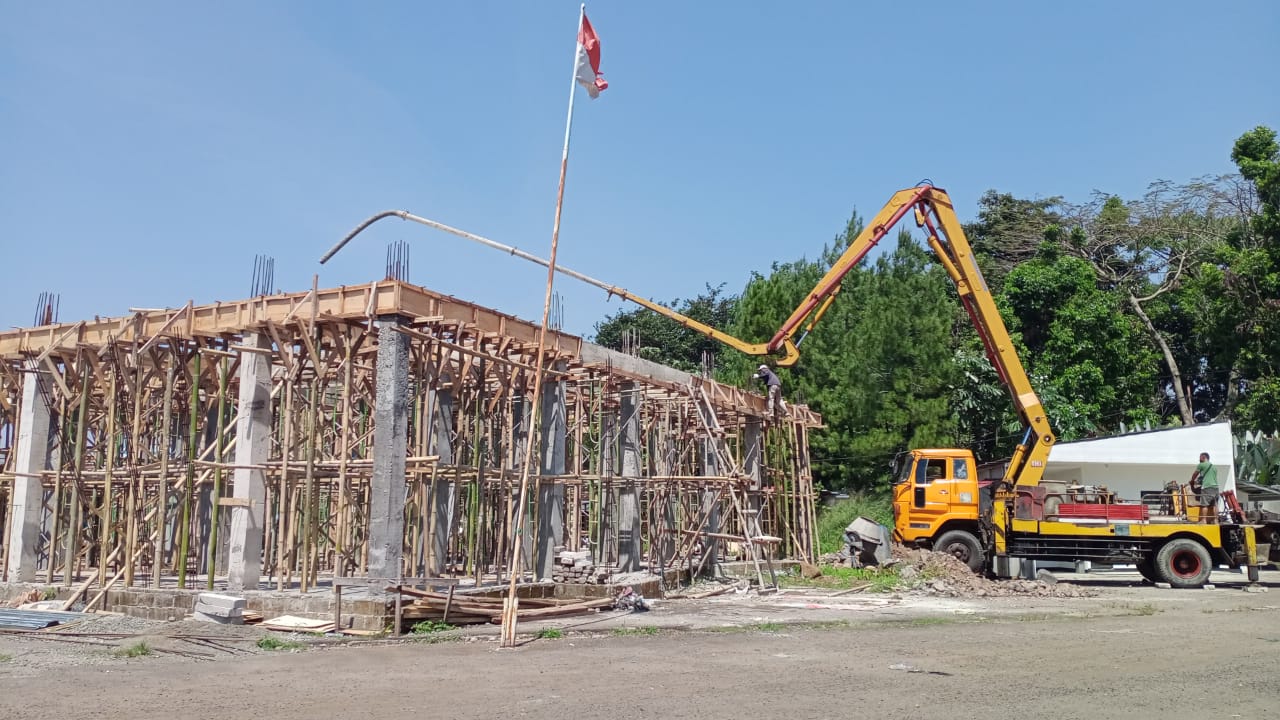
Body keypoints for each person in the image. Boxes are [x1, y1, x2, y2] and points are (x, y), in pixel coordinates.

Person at [1190, 452, 1219, 524]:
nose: (1199, 459)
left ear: (1203, 457)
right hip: (1215, 488)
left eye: (1200, 457)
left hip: (1207, 487)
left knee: (1204, 504)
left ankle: (1203, 520)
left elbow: (1195, 474)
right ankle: (1215, 520)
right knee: (1214, 505)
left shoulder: (1201, 465)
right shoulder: (1214, 467)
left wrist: (1192, 481)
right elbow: (1209, 477)